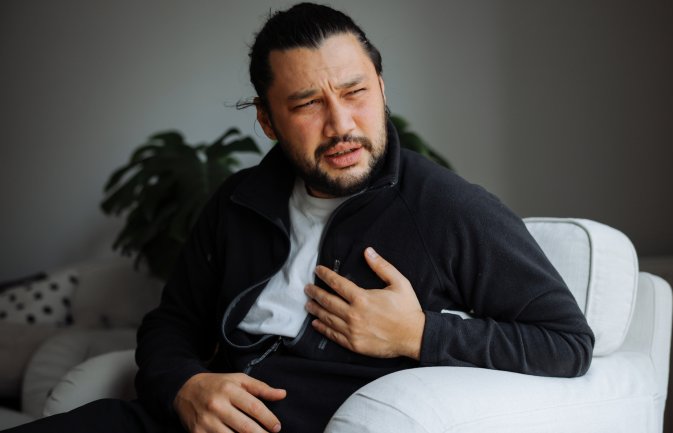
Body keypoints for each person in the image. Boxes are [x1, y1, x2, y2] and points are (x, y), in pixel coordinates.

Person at [5, 3, 593, 433]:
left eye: (355, 92)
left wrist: (416, 335)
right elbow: (170, 324)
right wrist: (185, 384)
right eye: (308, 104)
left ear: (382, 89)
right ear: (267, 120)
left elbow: (566, 344)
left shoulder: (447, 210)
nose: (341, 124)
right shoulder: (237, 201)